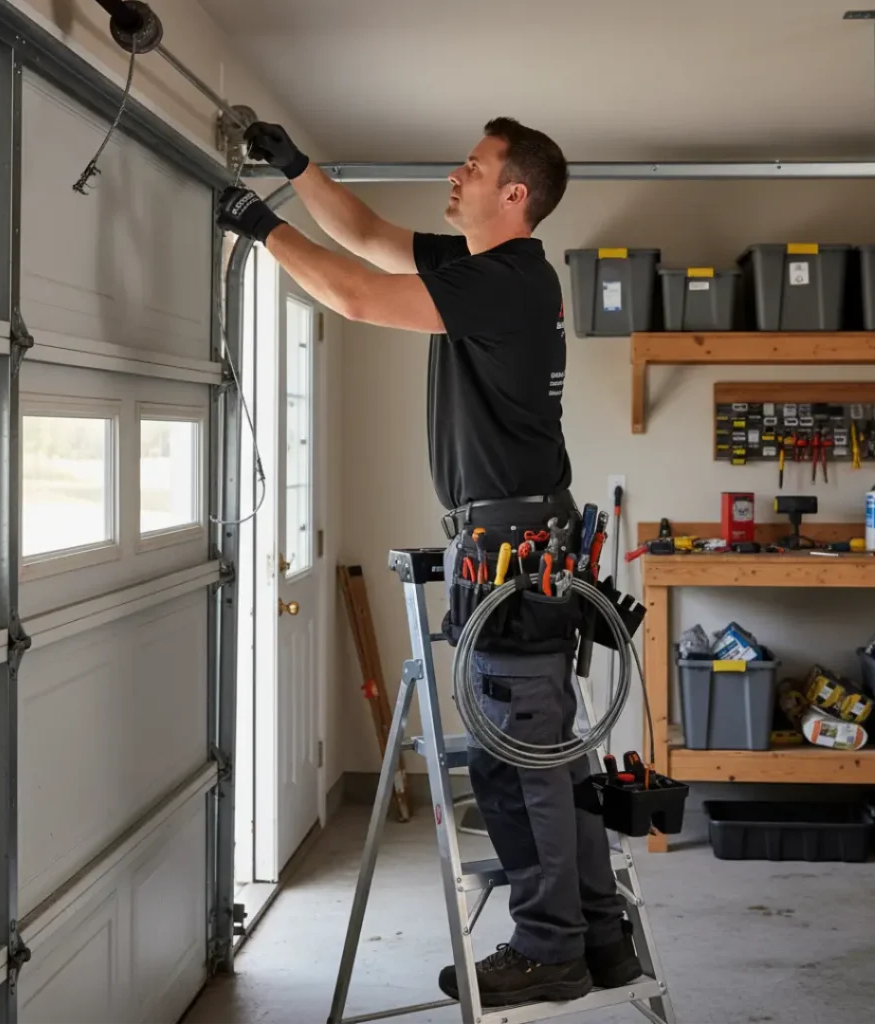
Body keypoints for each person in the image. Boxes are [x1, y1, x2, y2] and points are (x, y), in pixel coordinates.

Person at [216, 118, 642, 1008]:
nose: (457, 174)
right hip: (514, 542)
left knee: (516, 763)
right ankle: (600, 934)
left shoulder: (509, 284)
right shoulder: (491, 272)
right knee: (551, 759)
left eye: (475, 167)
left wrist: (257, 225)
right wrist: (298, 170)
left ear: (514, 193)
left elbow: (362, 298)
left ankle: (550, 946)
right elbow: (369, 241)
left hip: (511, 560)